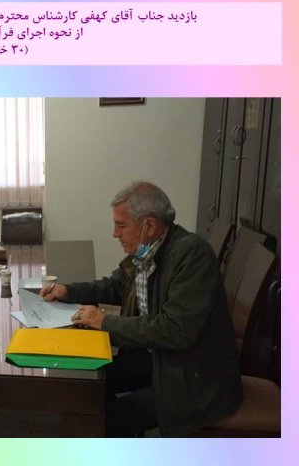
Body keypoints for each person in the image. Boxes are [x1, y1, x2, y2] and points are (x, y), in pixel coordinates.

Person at [40, 182, 242, 437]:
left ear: (149, 226)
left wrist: (104, 322)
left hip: (193, 379)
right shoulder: (148, 250)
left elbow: (176, 329)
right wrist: (68, 291)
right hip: (159, 358)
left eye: (121, 225)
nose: (115, 233)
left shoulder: (192, 255)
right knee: (85, 386)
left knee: (100, 419)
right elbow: (115, 286)